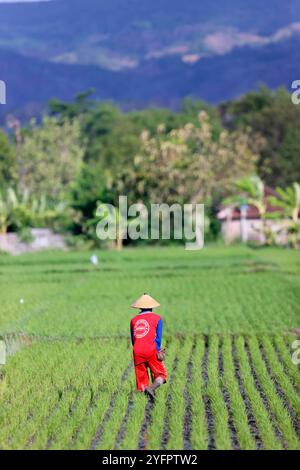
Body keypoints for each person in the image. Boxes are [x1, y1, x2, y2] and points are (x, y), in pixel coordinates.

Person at [130, 293, 167, 401]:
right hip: (151, 349)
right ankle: (151, 388)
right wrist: (157, 350)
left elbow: (133, 339)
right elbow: (158, 338)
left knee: (142, 378)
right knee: (161, 375)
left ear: (140, 307)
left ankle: (143, 402)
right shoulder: (157, 318)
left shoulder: (133, 320)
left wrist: (139, 348)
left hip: (137, 350)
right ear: (152, 307)